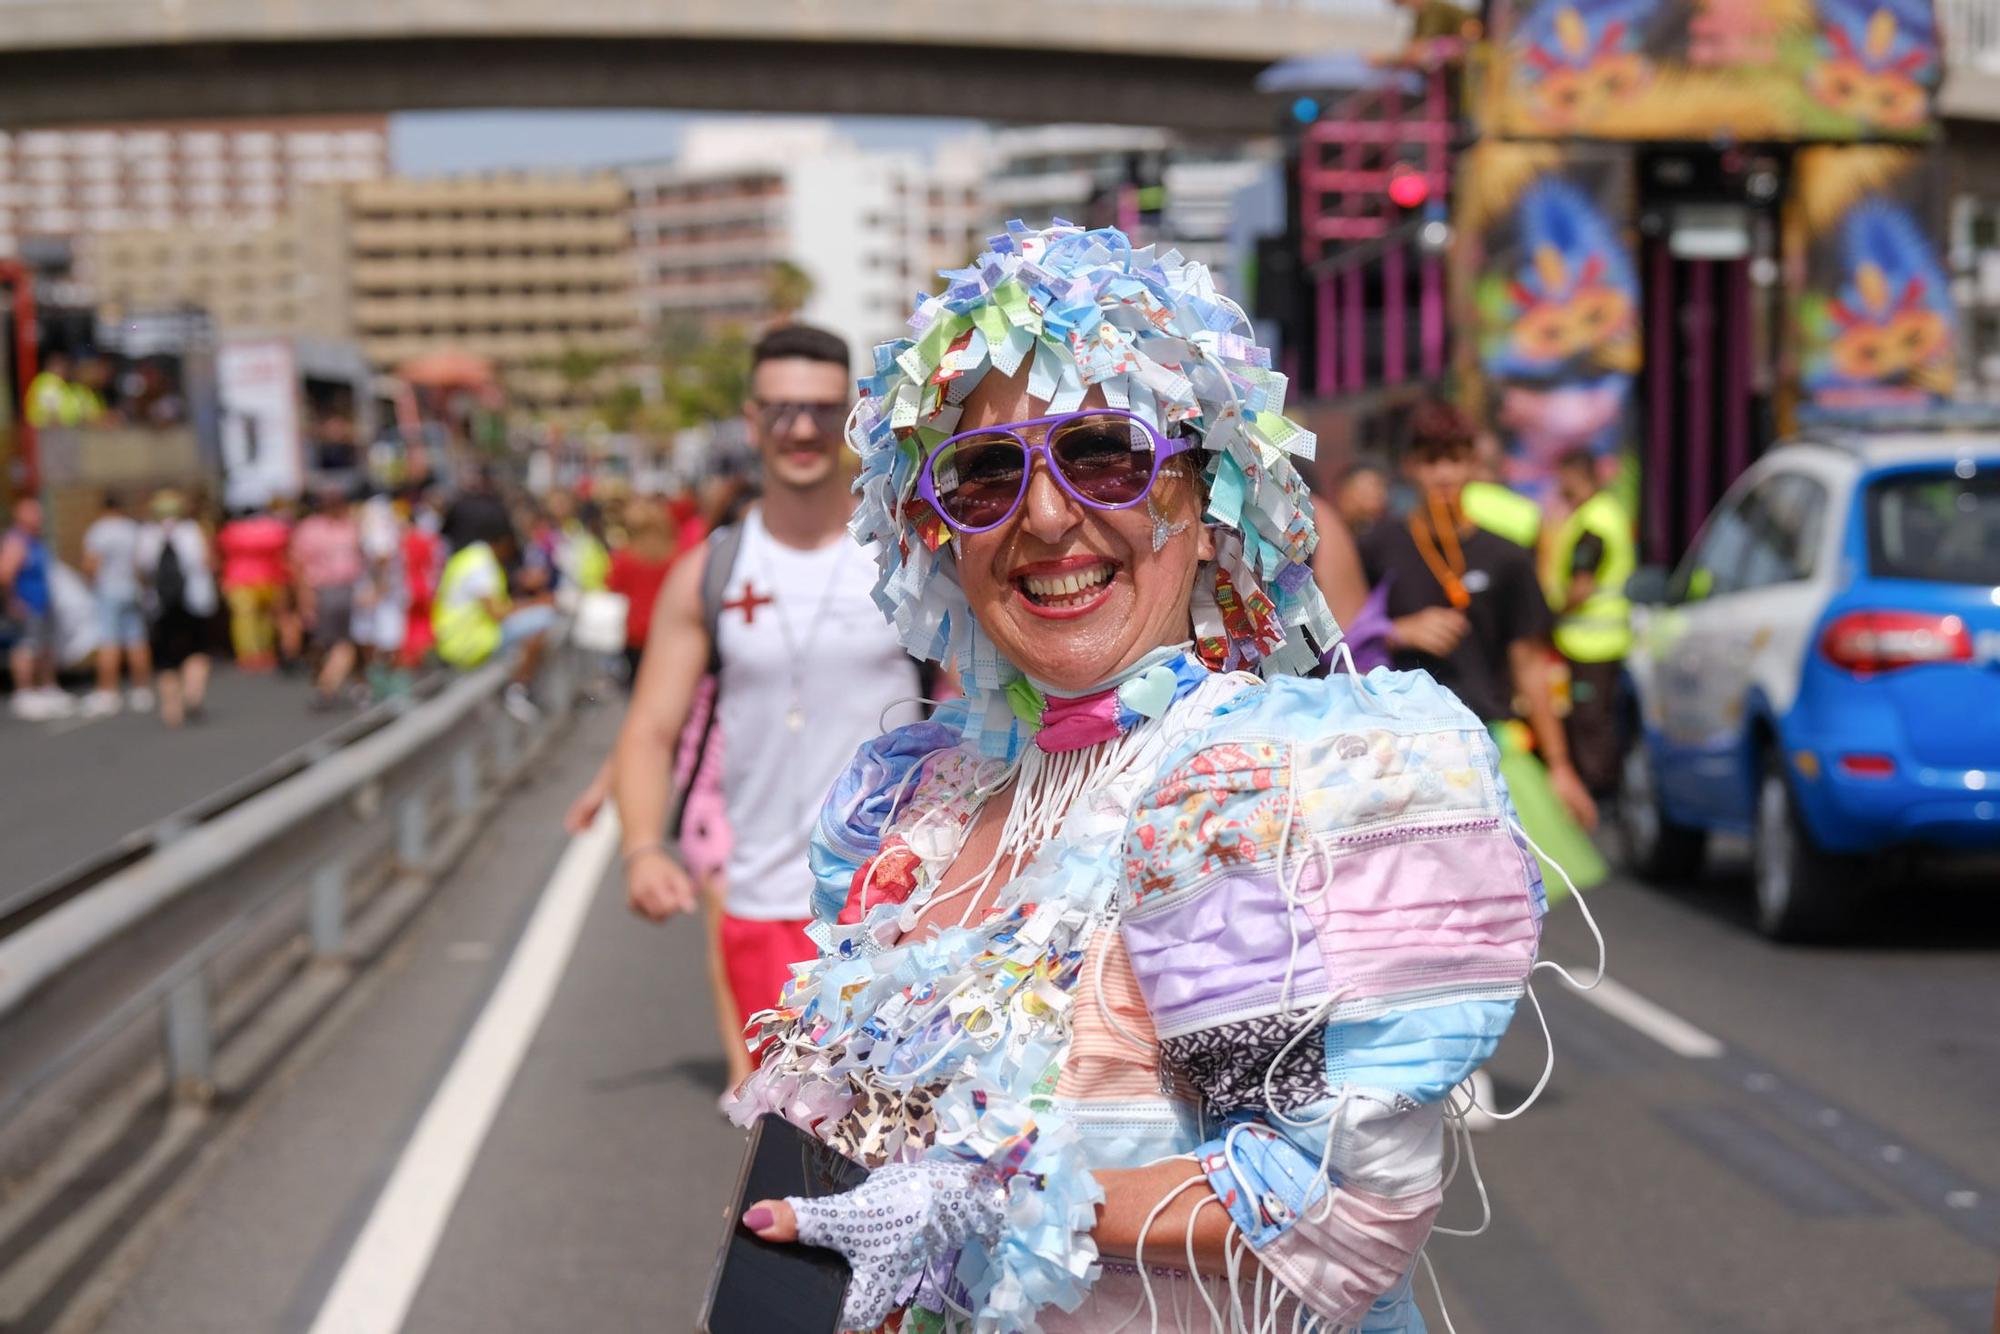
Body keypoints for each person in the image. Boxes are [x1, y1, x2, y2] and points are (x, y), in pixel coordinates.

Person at [724, 224, 1555, 1333]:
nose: (1049, 515)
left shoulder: (1250, 791)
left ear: (1208, 501)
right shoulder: (909, 810)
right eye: (985, 472)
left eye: (1104, 452)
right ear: (934, 529)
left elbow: (1343, 1209)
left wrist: (978, 1200)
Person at [607, 323, 927, 1095]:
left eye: (820, 409)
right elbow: (649, 731)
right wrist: (644, 849)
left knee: (900, 1154)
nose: (802, 429)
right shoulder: (710, 570)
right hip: (760, 906)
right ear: (751, 422)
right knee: (786, 1152)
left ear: (851, 415)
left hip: (898, 908)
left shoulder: (906, 555)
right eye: (781, 410)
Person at [1360, 399, 1604, 892]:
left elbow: (1529, 665)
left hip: (1484, 745)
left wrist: (1559, 768)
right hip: (1399, 752)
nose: (1444, 474)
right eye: (1431, 460)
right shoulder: (1376, 546)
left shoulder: (1506, 557)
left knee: (1509, 899)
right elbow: (1341, 637)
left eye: (1455, 458)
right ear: (1410, 467)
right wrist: (1399, 630)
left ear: (1474, 464)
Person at [1546, 447, 1634, 797]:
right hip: (1601, 642)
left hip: (1591, 645)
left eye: (1561, 478)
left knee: (1590, 726)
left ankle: (1599, 798)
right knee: (1599, 722)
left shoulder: (1592, 523)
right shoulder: (1605, 513)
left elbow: (1580, 588)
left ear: (1574, 475)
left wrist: (1550, 614)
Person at [431, 531, 552, 723]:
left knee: (539, 618)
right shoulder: (481, 564)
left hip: (455, 640)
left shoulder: (469, 557)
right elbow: (497, 614)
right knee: (544, 618)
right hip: (470, 642)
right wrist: (535, 603)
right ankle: (517, 690)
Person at [135, 489, 218, 728]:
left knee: (166, 658)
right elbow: (208, 562)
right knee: (197, 650)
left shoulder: (147, 535)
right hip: (194, 602)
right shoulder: (192, 531)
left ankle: (171, 709)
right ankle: (192, 694)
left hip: (159, 606)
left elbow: (141, 571)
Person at [80, 492, 155, 715]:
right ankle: (141, 689)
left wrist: (90, 582)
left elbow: (91, 564)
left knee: (109, 641)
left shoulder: (100, 530)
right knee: (136, 639)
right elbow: (140, 563)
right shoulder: (132, 529)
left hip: (109, 590)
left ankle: (108, 691)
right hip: (131, 588)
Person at [291, 486, 365, 710]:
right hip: (322, 590)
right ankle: (329, 683)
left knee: (346, 641)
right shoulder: (310, 529)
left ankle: (329, 685)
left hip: (349, 589)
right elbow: (299, 566)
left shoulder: (351, 526)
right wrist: (305, 598)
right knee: (324, 641)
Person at [2, 496, 72, 719]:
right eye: (33, 512)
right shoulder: (16, 541)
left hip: (43, 604)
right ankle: (25, 692)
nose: (39, 517)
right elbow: (5, 575)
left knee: (45, 647)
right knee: (26, 648)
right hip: (26, 605)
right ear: (20, 515)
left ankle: (48, 687)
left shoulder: (36, 540)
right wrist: (12, 601)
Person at [604, 497, 680, 686]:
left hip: (635, 631)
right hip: (665, 631)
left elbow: (612, 587)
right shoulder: (676, 557)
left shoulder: (625, 558)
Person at [217, 504, 292, 671]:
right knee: (259, 619)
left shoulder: (232, 530)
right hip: (263, 579)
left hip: (243, 580)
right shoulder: (273, 528)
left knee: (248, 619)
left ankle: (252, 653)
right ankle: (259, 653)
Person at [1335, 458, 1391, 537]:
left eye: (1382, 486)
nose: (1382, 492)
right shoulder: (1330, 528)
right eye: (1374, 485)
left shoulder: (1390, 533)